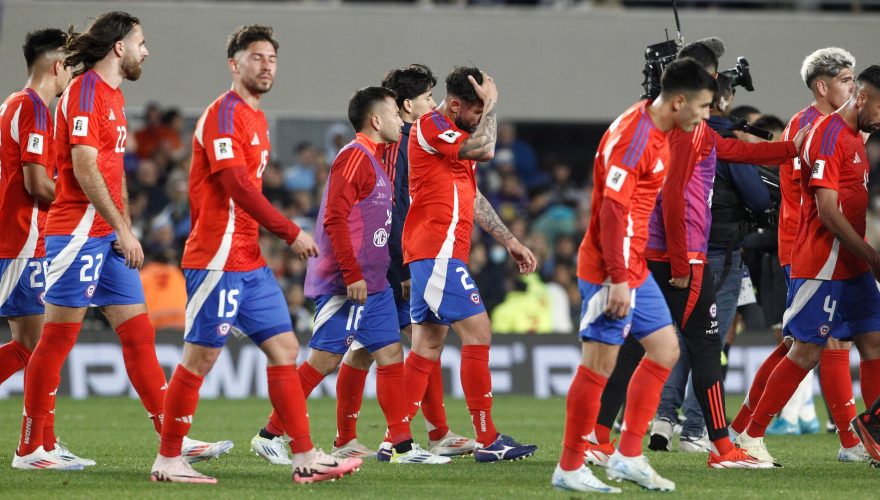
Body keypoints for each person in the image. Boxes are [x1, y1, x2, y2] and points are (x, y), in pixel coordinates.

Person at [13, 12, 229, 471]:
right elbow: (86, 169)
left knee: (138, 335)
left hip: (105, 234)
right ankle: (31, 448)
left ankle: (175, 437)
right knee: (55, 339)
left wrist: (122, 226)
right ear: (119, 47)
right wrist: (125, 229)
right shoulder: (86, 92)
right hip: (75, 233)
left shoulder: (113, 95)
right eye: (142, 42)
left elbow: (114, 173)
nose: (146, 51)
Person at [149, 24, 361, 484]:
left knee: (285, 349)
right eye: (256, 57)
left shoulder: (256, 118)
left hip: (248, 260)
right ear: (234, 63)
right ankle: (168, 459)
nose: (266, 66)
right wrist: (289, 231)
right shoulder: (222, 115)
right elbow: (235, 185)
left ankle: (303, 456)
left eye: (272, 59)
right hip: (216, 258)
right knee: (199, 359)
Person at [551, 58, 718, 494]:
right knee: (599, 365)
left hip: (632, 264)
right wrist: (619, 278)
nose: (705, 115)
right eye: (702, 106)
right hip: (610, 269)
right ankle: (569, 466)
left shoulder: (660, 128)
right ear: (679, 101)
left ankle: (627, 456)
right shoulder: (636, 136)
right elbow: (612, 210)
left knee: (664, 350)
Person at [734, 65, 880, 467]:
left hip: (854, 263)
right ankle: (750, 435)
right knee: (805, 351)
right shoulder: (827, 135)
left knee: (874, 343)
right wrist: (872, 256)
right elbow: (828, 212)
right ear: (863, 98)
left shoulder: (855, 135)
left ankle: (871, 436)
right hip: (822, 262)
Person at [401, 65, 538, 463]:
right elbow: (486, 148)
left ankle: (395, 438)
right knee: (478, 331)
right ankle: (489, 437)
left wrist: (509, 239)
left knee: (427, 343)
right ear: (456, 104)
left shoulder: (456, 137)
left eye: (484, 112)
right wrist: (492, 108)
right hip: (436, 248)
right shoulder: (429, 126)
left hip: (442, 252)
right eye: (476, 111)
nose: (481, 119)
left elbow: (473, 196)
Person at [0, 28, 80, 467]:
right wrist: (77, 205)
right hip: (22, 241)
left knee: (34, 346)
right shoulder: (33, 109)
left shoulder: (13, 104)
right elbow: (35, 182)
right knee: (36, 347)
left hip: (20, 239)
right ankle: (35, 447)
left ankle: (44, 442)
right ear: (57, 66)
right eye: (70, 65)